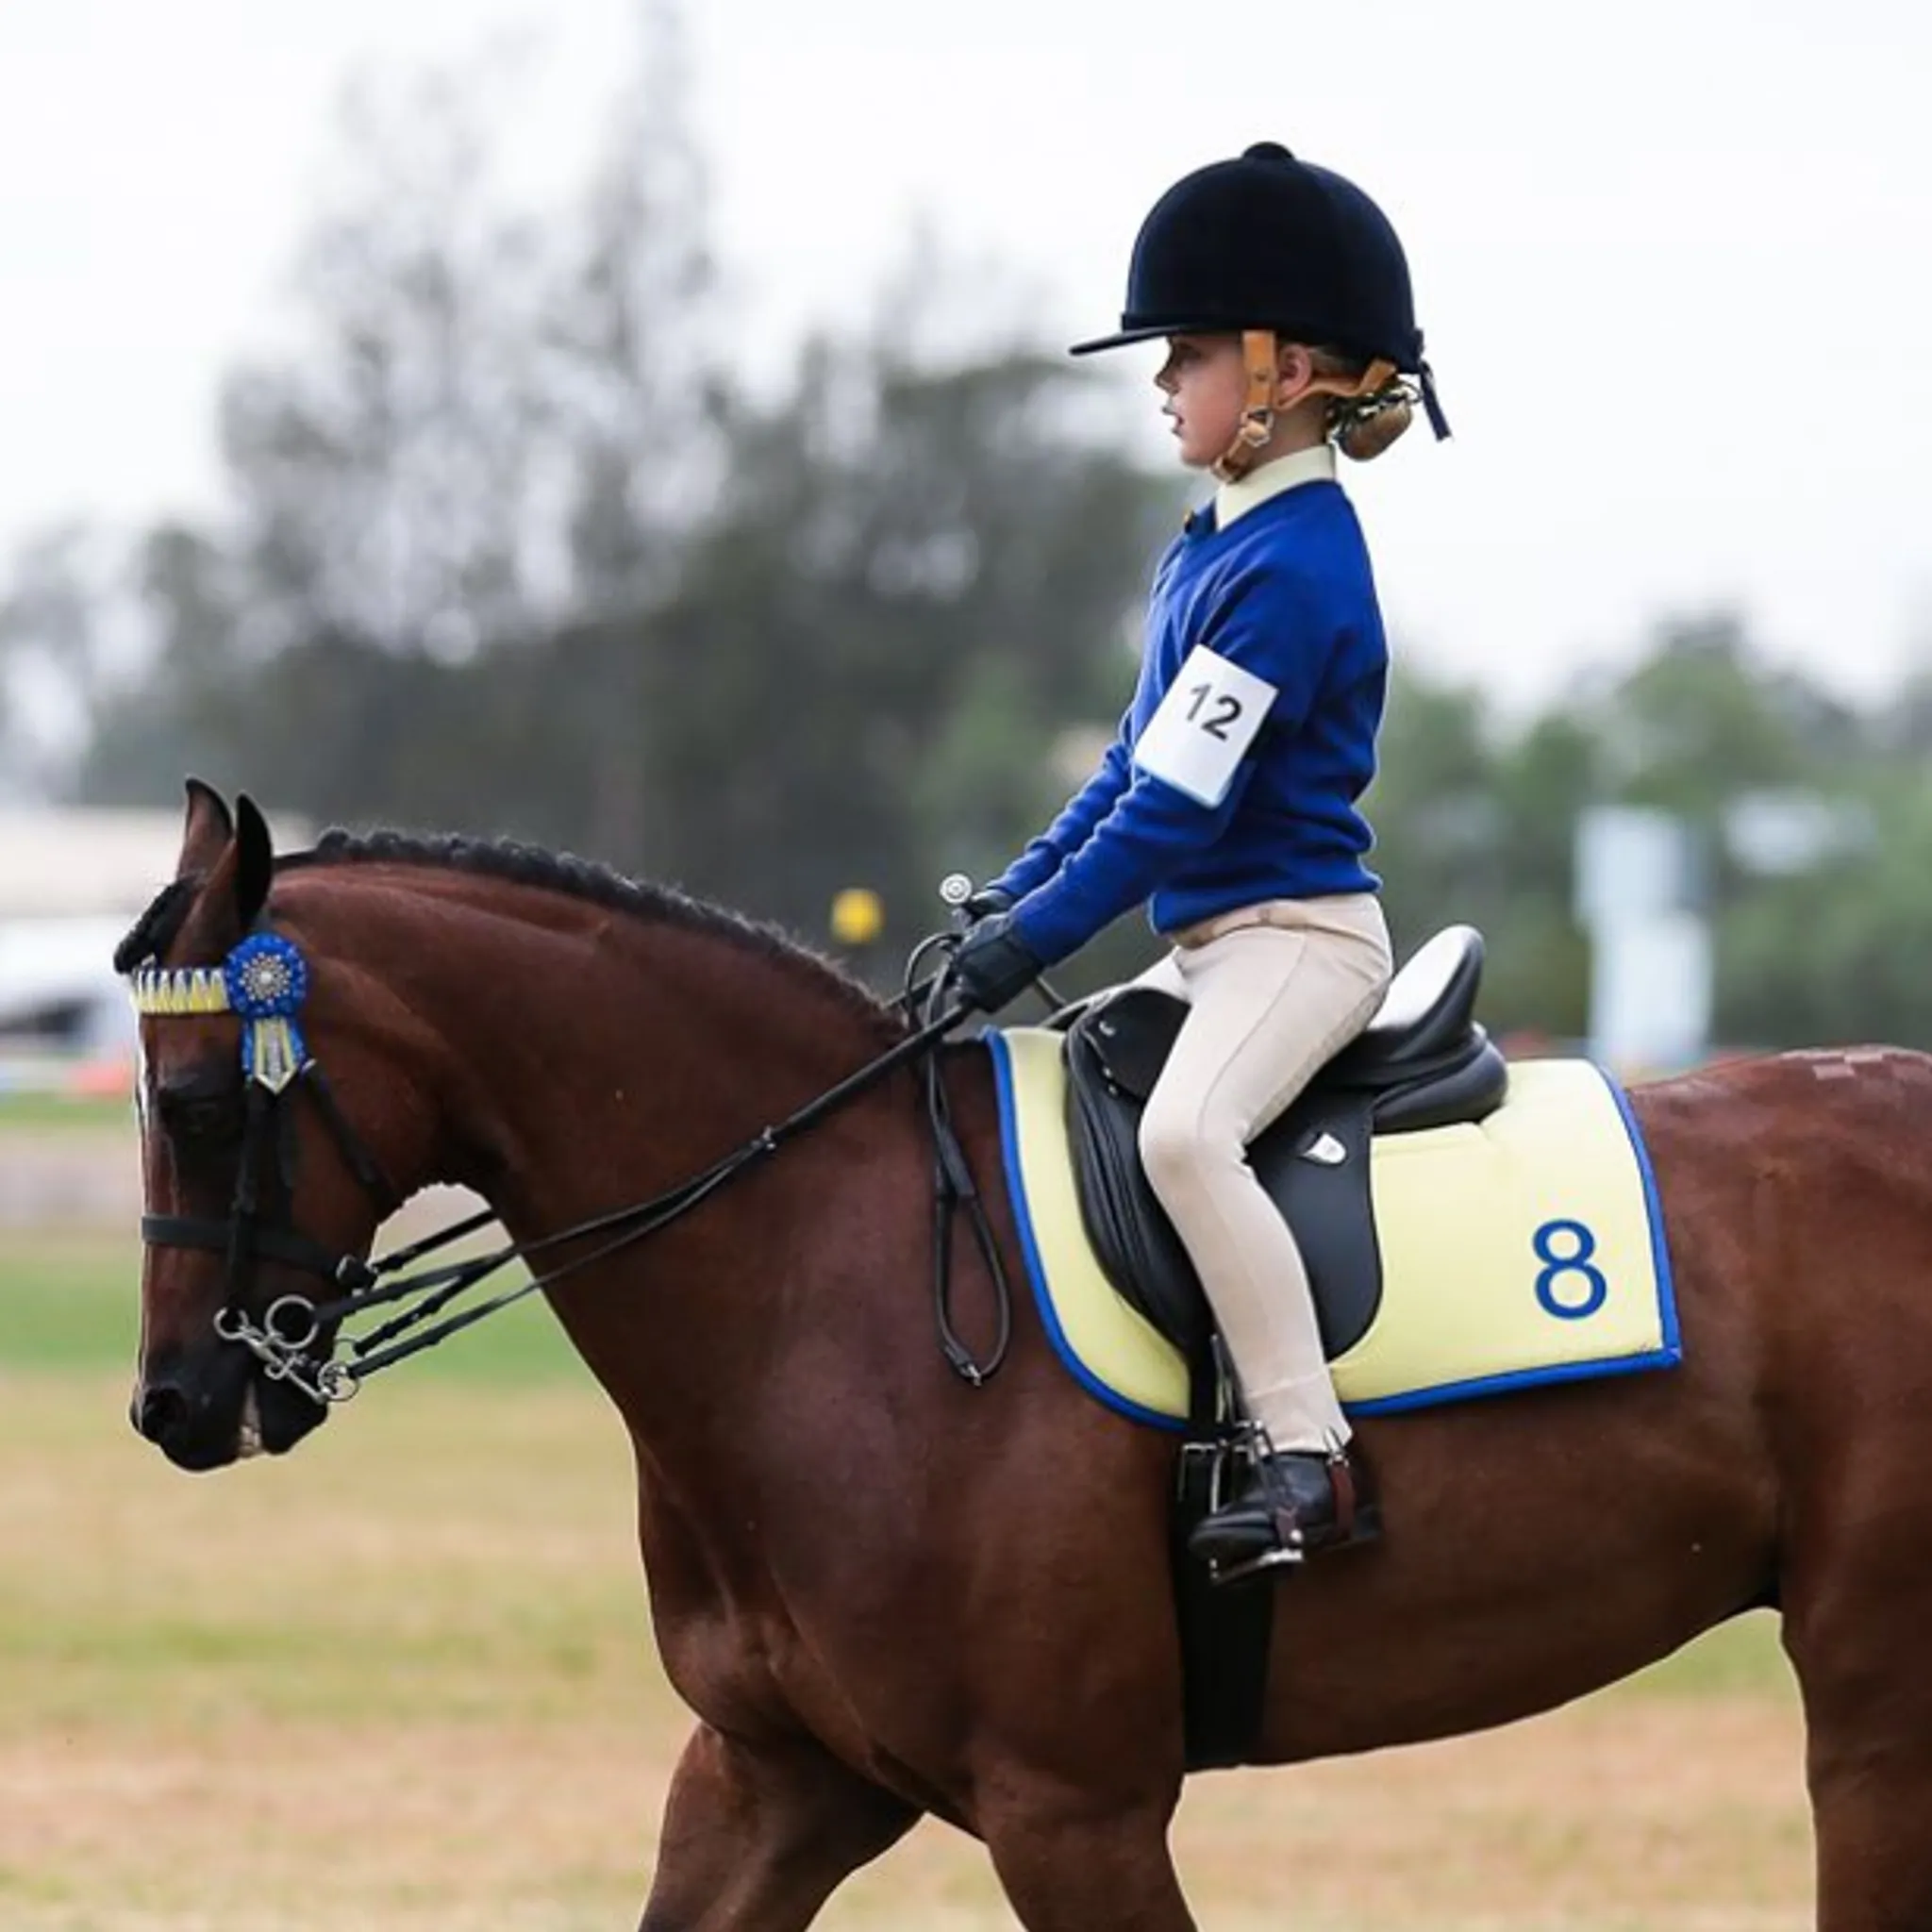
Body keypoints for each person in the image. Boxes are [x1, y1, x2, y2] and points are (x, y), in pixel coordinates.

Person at [950, 141, 1448, 1574]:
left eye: (1183, 353)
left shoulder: (1299, 569)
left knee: (1182, 1134)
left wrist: (1034, 944)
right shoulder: (1208, 546)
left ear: (1282, 371)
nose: (1162, 382)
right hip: (1213, 942)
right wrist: (1013, 897)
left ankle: (1309, 1458)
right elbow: (1126, 767)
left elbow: (1173, 818)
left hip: (1299, 942)